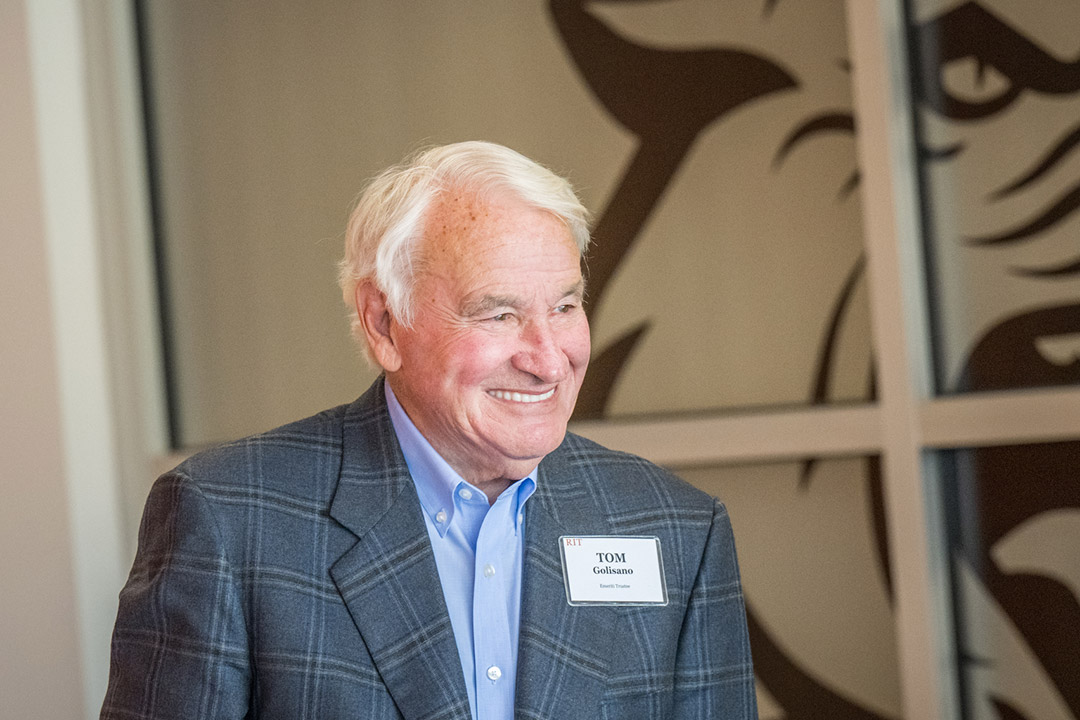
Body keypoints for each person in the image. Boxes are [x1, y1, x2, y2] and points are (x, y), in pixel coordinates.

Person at [101, 141, 757, 719]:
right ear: (385, 324)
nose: (548, 358)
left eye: (564, 306)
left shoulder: (674, 530)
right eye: (498, 314)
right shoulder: (231, 523)